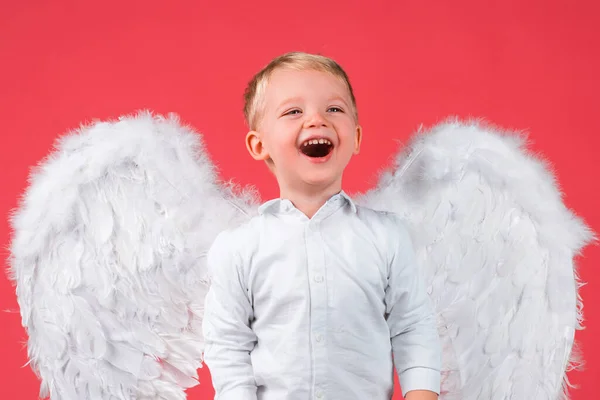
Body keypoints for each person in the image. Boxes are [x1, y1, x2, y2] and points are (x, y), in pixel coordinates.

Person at [202, 52, 441, 400]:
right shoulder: (239, 246)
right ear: (259, 145)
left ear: (356, 138)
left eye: (334, 109)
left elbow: (413, 327)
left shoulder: (387, 237)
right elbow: (227, 344)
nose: (316, 119)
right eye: (293, 111)